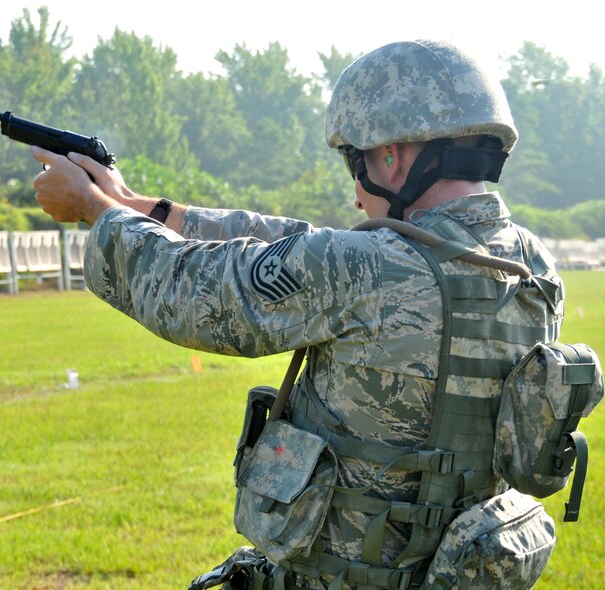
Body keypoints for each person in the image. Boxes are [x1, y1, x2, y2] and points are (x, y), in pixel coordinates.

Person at [31, 39, 564, 589]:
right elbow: (297, 247)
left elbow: (196, 289)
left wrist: (94, 210)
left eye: (355, 162)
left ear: (391, 156)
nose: (358, 197)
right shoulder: (532, 269)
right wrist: (140, 205)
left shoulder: (370, 268)